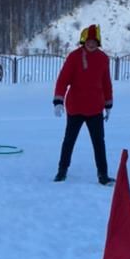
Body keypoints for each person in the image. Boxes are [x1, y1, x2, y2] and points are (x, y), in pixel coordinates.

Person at [52, 24, 114, 185]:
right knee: (69, 140)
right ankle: (62, 171)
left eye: (94, 41)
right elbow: (63, 79)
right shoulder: (74, 57)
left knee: (99, 142)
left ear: (98, 41)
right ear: (83, 40)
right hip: (76, 107)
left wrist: (108, 104)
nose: (91, 43)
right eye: (88, 40)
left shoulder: (103, 59)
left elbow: (106, 83)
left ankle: (103, 175)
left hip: (95, 108)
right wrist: (58, 100)